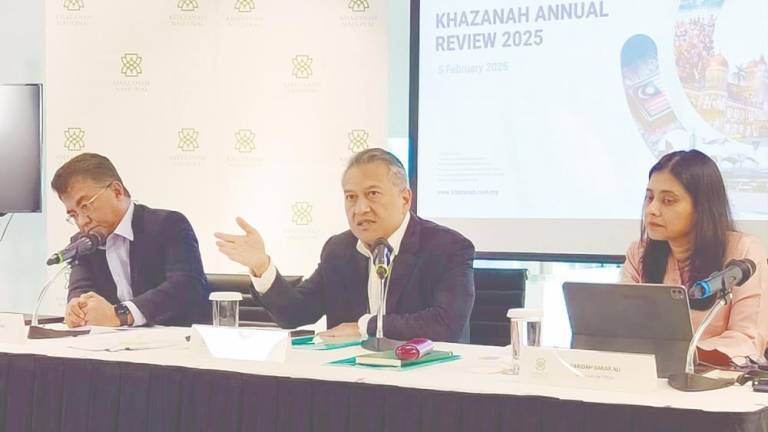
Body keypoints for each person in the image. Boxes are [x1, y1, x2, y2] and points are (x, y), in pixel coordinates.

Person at [215, 148, 475, 342]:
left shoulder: (448, 247)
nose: (360, 208)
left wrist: (364, 326)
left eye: (372, 194)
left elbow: (445, 325)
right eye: (350, 197)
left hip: (426, 386)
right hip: (351, 386)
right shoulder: (339, 250)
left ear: (405, 198)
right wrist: (261, 266)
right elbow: (295, 313)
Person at [622, 150, 768, 364]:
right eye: (650, 197)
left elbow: (747, 339)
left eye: (668, 200)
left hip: (717, 385)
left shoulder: (744, 253)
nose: (652, 210)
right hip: (650, 380)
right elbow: (622, 327)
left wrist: (685, 355)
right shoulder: (639, 253)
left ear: (701, 208)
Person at [53, 153, 210, 327]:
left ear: (116, 191)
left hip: (176, 342)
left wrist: (121, 315)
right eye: (73, 215)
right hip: (112, 348)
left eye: (85, 206)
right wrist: (77, 309)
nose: (82, 222)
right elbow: (81, 289)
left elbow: (186, 286)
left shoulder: (167, 225)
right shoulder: (84, 243)